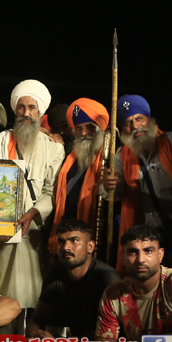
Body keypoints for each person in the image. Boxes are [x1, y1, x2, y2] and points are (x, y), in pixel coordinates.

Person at [0, 80, 63, 323]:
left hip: (31, 232)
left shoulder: (53, 148)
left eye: (31, 107)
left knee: (30, 296)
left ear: (39, 111)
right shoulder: (1, 140)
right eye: (21, 107)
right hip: (1, 231)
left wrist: (33, 212)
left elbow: (51, 191)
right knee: (0, 297)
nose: (26, 113)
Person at [27, 219, 122, 342]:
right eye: (61, 242)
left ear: (90, 246)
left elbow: (113, 334)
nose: (66, 247)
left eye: (74, 241)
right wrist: (36, 339)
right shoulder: (56, 274)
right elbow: (37, 319)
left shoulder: (106, 278)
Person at [107, 94, 172, 268]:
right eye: (127, 123)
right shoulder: (121, 155)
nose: (135, 127)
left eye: (139, 119)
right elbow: (115, 192)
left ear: (149, 120)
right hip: (145, 238)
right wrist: (109, 186)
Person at [49, 99, 119, 264]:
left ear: (101, 128)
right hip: (66, 234)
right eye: (79, 128)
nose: (83, 133)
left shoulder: (112, 157)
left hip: (98, 235)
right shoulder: (71, 157)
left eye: (90, 127)